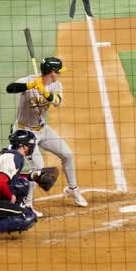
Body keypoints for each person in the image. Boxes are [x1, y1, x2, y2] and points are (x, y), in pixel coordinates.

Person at [6, 56, 87, 212]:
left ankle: (72, 189)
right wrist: (30, 85)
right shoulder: (29, 80)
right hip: (24, 133)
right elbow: (10, 88)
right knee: (38, 166)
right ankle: (27, 204)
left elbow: (56, 101)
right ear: (51, 72)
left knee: (67, 154)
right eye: (58, 72)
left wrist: (44, 91)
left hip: (43, 129)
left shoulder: (56, 85)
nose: (60, 74)